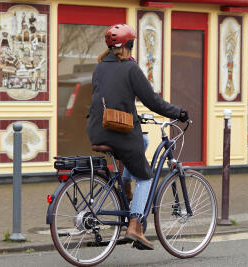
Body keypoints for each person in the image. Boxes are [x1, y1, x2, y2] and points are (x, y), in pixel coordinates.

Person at [86, 24, 188, 250]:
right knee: (146, 176)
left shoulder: (100, 67)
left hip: (96, 129)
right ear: (130, 45)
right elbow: (152, 101)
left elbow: (109, 97)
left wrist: (133, 114)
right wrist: (178, 113)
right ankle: (135, 225)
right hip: (118, 132)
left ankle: (125, 186)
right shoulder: (131, 69)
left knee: (142, 142)